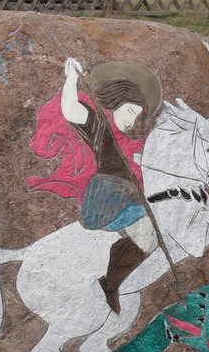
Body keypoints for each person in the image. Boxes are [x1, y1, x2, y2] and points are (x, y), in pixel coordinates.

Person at [60, 58, 162, 314]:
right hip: (111, 194)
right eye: (129, 112)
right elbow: (71, 109)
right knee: (150, 238)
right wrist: (71, 77)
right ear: (117, 100)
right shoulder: (99, 124)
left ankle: (115, 266)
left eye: (134, 119)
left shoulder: (130, 138)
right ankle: (110, 285)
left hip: (127, 193)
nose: (129, 122)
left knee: (150, 237)